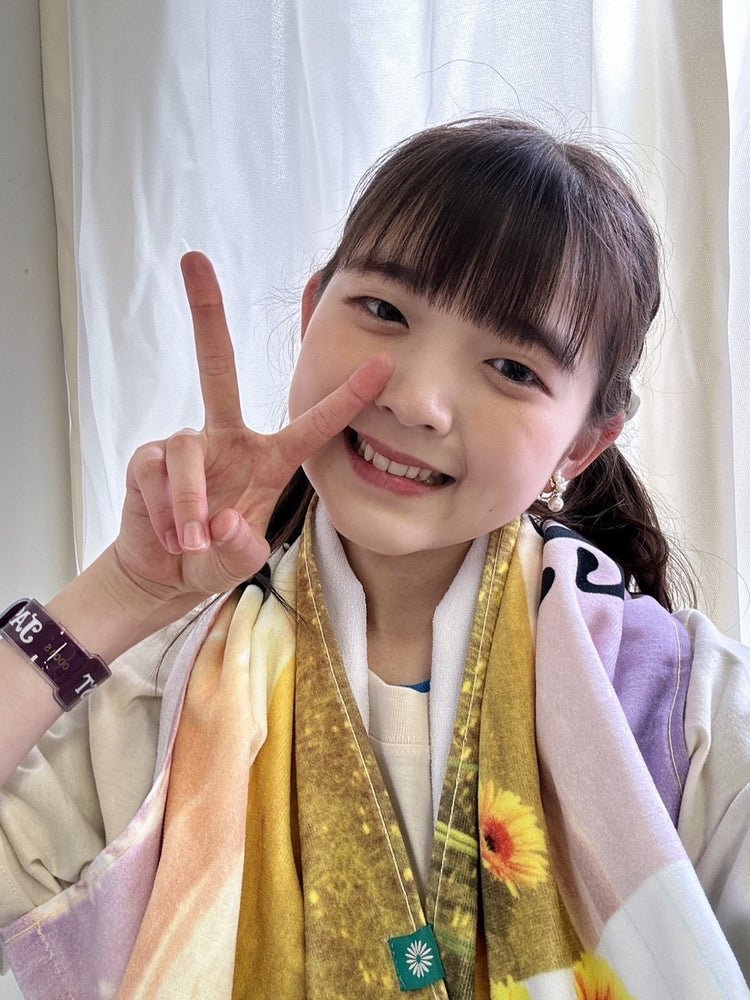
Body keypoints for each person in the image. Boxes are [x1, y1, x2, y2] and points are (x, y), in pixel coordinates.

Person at [0, 118, 748, 999]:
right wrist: (120, 596)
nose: (419, 400)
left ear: (581, 447)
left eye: (512, 368)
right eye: (386, 312)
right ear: (312, 312)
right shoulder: (164, 696)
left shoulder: (681, 711)